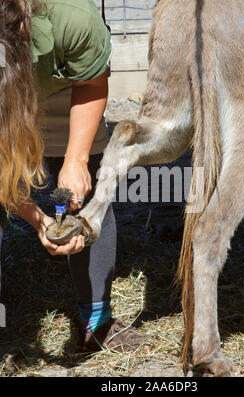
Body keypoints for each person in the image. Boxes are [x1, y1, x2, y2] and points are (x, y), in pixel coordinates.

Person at [0, 0, 144, 352]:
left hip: (68, 87)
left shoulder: (72, 16)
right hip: (9, 93)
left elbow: (92, 85)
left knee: (88, 195)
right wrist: (38, 220)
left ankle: (96, 318)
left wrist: (76, 159)